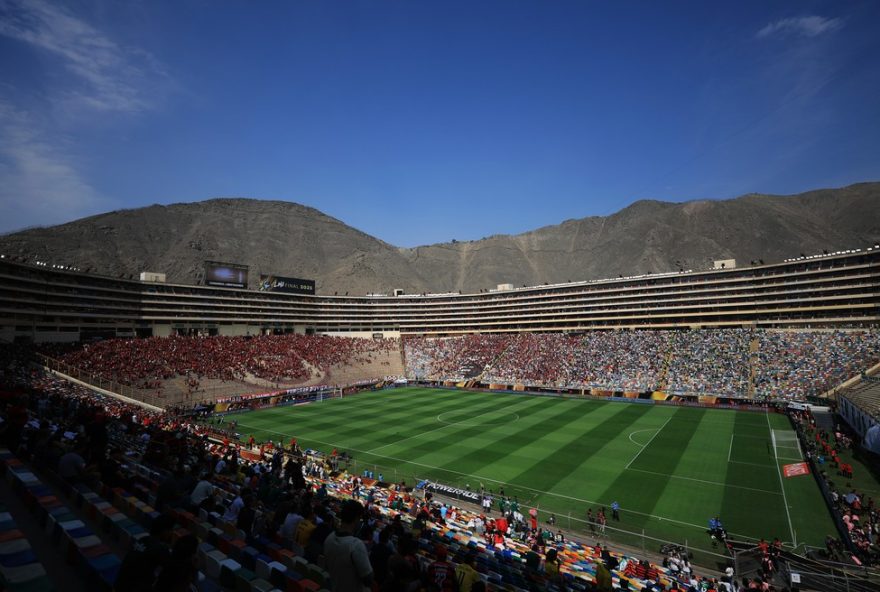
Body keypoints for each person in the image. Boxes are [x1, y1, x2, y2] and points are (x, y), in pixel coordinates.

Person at [114, 514, 174, 592]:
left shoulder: (143, 539)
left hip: (120, 584)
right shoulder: (160, 549)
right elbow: (173, 570)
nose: (172, 533)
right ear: (164, 531)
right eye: (171, 530)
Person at [324, 500, 373, 592]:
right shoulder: (356, 545)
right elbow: (368, 580)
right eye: (360, 519)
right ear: (356, 518)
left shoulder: (329, 538)